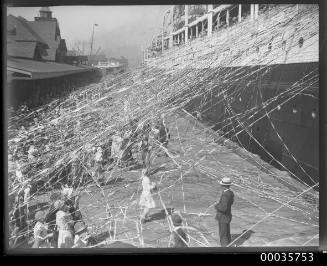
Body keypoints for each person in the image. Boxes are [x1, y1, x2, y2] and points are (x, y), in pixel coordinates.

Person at [214, 177, 234, 247]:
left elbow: (223, 208)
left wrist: (216, 205)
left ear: (223, 186)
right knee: (227, 233)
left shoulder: (225, 194)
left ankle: (224, 248)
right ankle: (228, 246)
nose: (221, 186)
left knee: (223, 235)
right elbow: (230, 203)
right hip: (227, 216)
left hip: (223, 217)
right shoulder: (230, 193)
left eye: (221, 185)